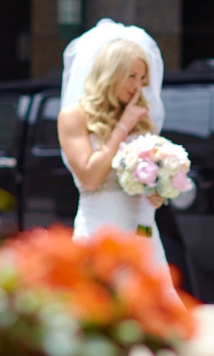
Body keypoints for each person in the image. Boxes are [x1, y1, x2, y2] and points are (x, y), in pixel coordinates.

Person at [57, 19, 170, 271]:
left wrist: (158, 190)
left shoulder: (142, 117)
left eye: (142, 78)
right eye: (131, 76)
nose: (138, 86)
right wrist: (122, 128)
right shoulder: (74, 116)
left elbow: (149, 176)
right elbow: (90, 177)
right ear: (110, 74)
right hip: (100, 227)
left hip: (141, 229)